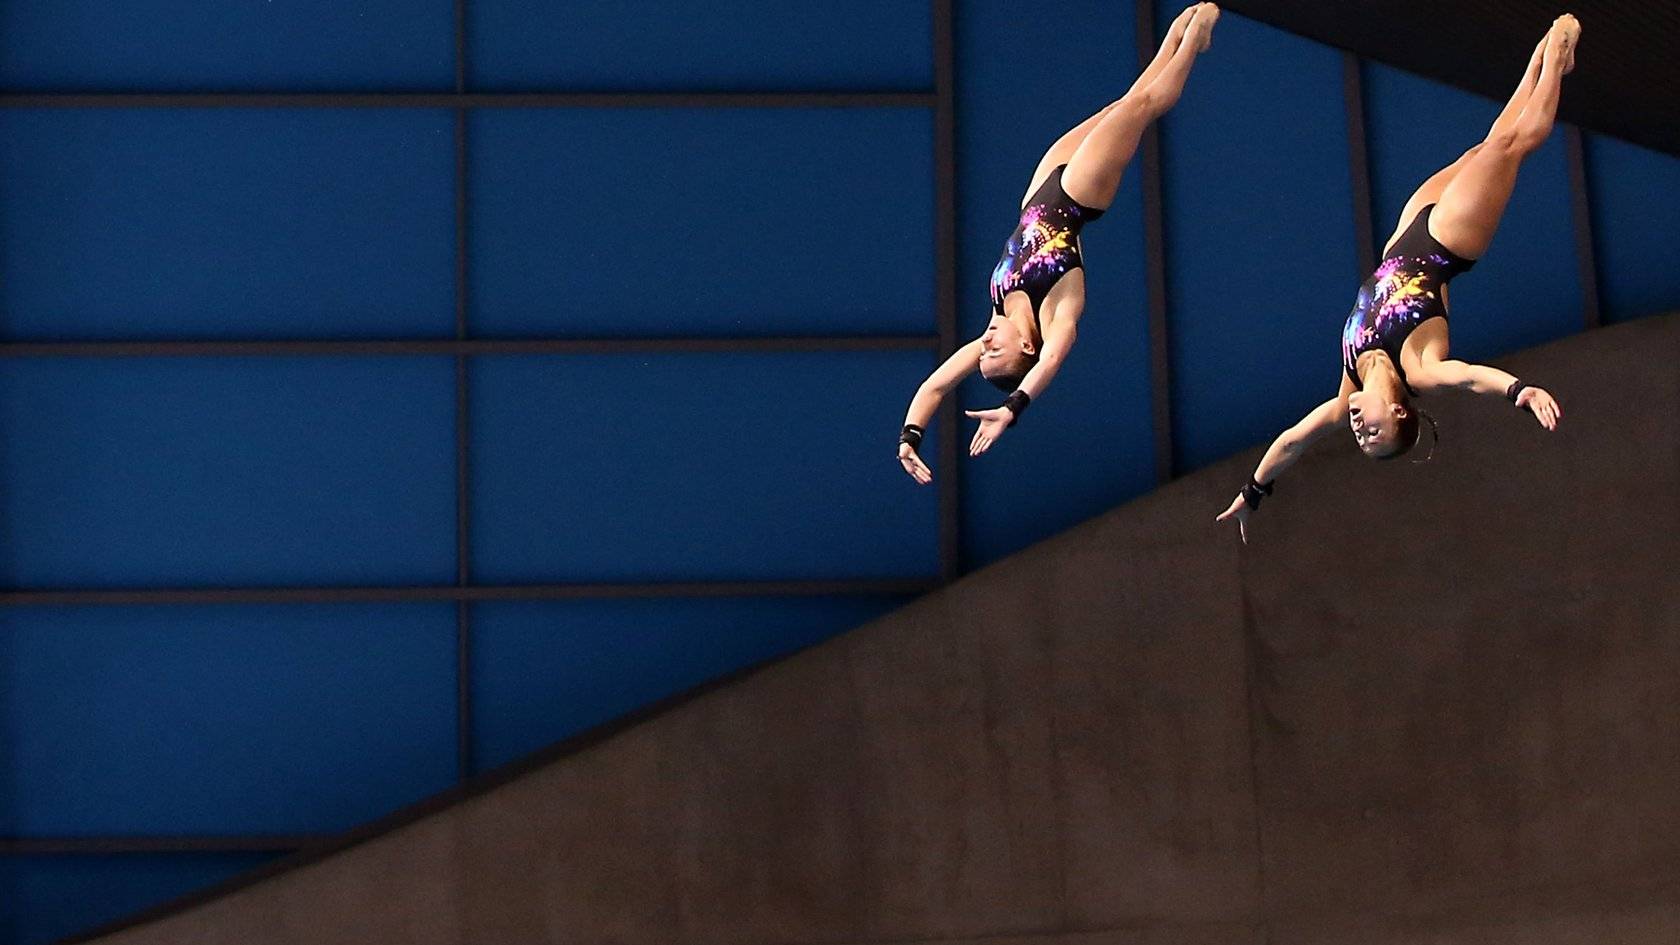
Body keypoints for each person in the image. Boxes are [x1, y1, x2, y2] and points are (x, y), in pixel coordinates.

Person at [1217, 15, 1577, 541]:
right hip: (1450, 243)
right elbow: (1469, 377)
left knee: (1485, 147)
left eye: (1362, 440)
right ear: (1397, 411)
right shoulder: (1420, 371)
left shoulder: (1348, 390)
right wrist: (1518, 391)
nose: (1360, 431)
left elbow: (1294, 441)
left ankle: (1546, 55)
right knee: (1511, 148)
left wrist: (1254, 490)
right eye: (1376, 433)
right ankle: (1562, 52)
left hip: (1404, 237)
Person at [897, 3, 1221, 484]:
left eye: (982, 354)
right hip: (1078, 197)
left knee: (1123, 104)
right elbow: (1051, 360)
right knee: (1142, 108)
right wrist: (1013, 407)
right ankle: (1193, 41)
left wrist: (911, 437)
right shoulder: (1056, 313)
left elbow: (936, 385)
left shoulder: (997, 317)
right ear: (1025, 344)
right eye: (994, 353)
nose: (983, 345)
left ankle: (1175, 36)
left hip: (1036, 194)